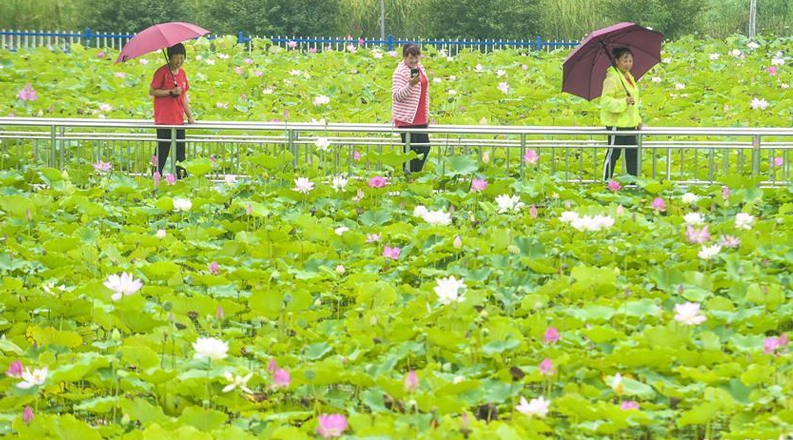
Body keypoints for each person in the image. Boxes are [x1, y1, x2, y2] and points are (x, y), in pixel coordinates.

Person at [149, 43, 195, 179]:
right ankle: (155, 177)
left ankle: (180, 177)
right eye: (176, 58)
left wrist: (189, 116)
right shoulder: (162, 72)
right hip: (164, 119)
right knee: (162, 150)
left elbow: (183, 96)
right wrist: (170, 92)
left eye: (181, 58)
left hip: (178, 119)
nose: (179, 61)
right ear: (170, 57)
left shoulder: (182, 73)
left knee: (180, 151)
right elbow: (152, 91)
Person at [601, 47, 642, 180]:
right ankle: (606, 182)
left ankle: (633, 184)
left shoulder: (629, 77)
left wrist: (638, 120)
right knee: (613, 155)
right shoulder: (612, 78)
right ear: (617, 61)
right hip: (616, 125)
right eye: (625, 61)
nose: (628, 64)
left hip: (630, 125)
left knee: (632, 156)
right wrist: (624, 101)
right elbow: (606, 102)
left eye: (630, 60)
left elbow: (633, 104)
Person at [392, 43, 430, 173]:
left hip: (420, 117)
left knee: (425, 148)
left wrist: (427, 114)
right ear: (404, 57)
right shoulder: (400, 72)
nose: (414, 61)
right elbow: (396, 95)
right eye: (410, 58)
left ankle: (413, 175)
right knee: (410, 152)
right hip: (407, 118)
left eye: (416, 58)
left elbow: (424, 92)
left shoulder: (420, 68)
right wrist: (410, 85)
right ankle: (409, 178)